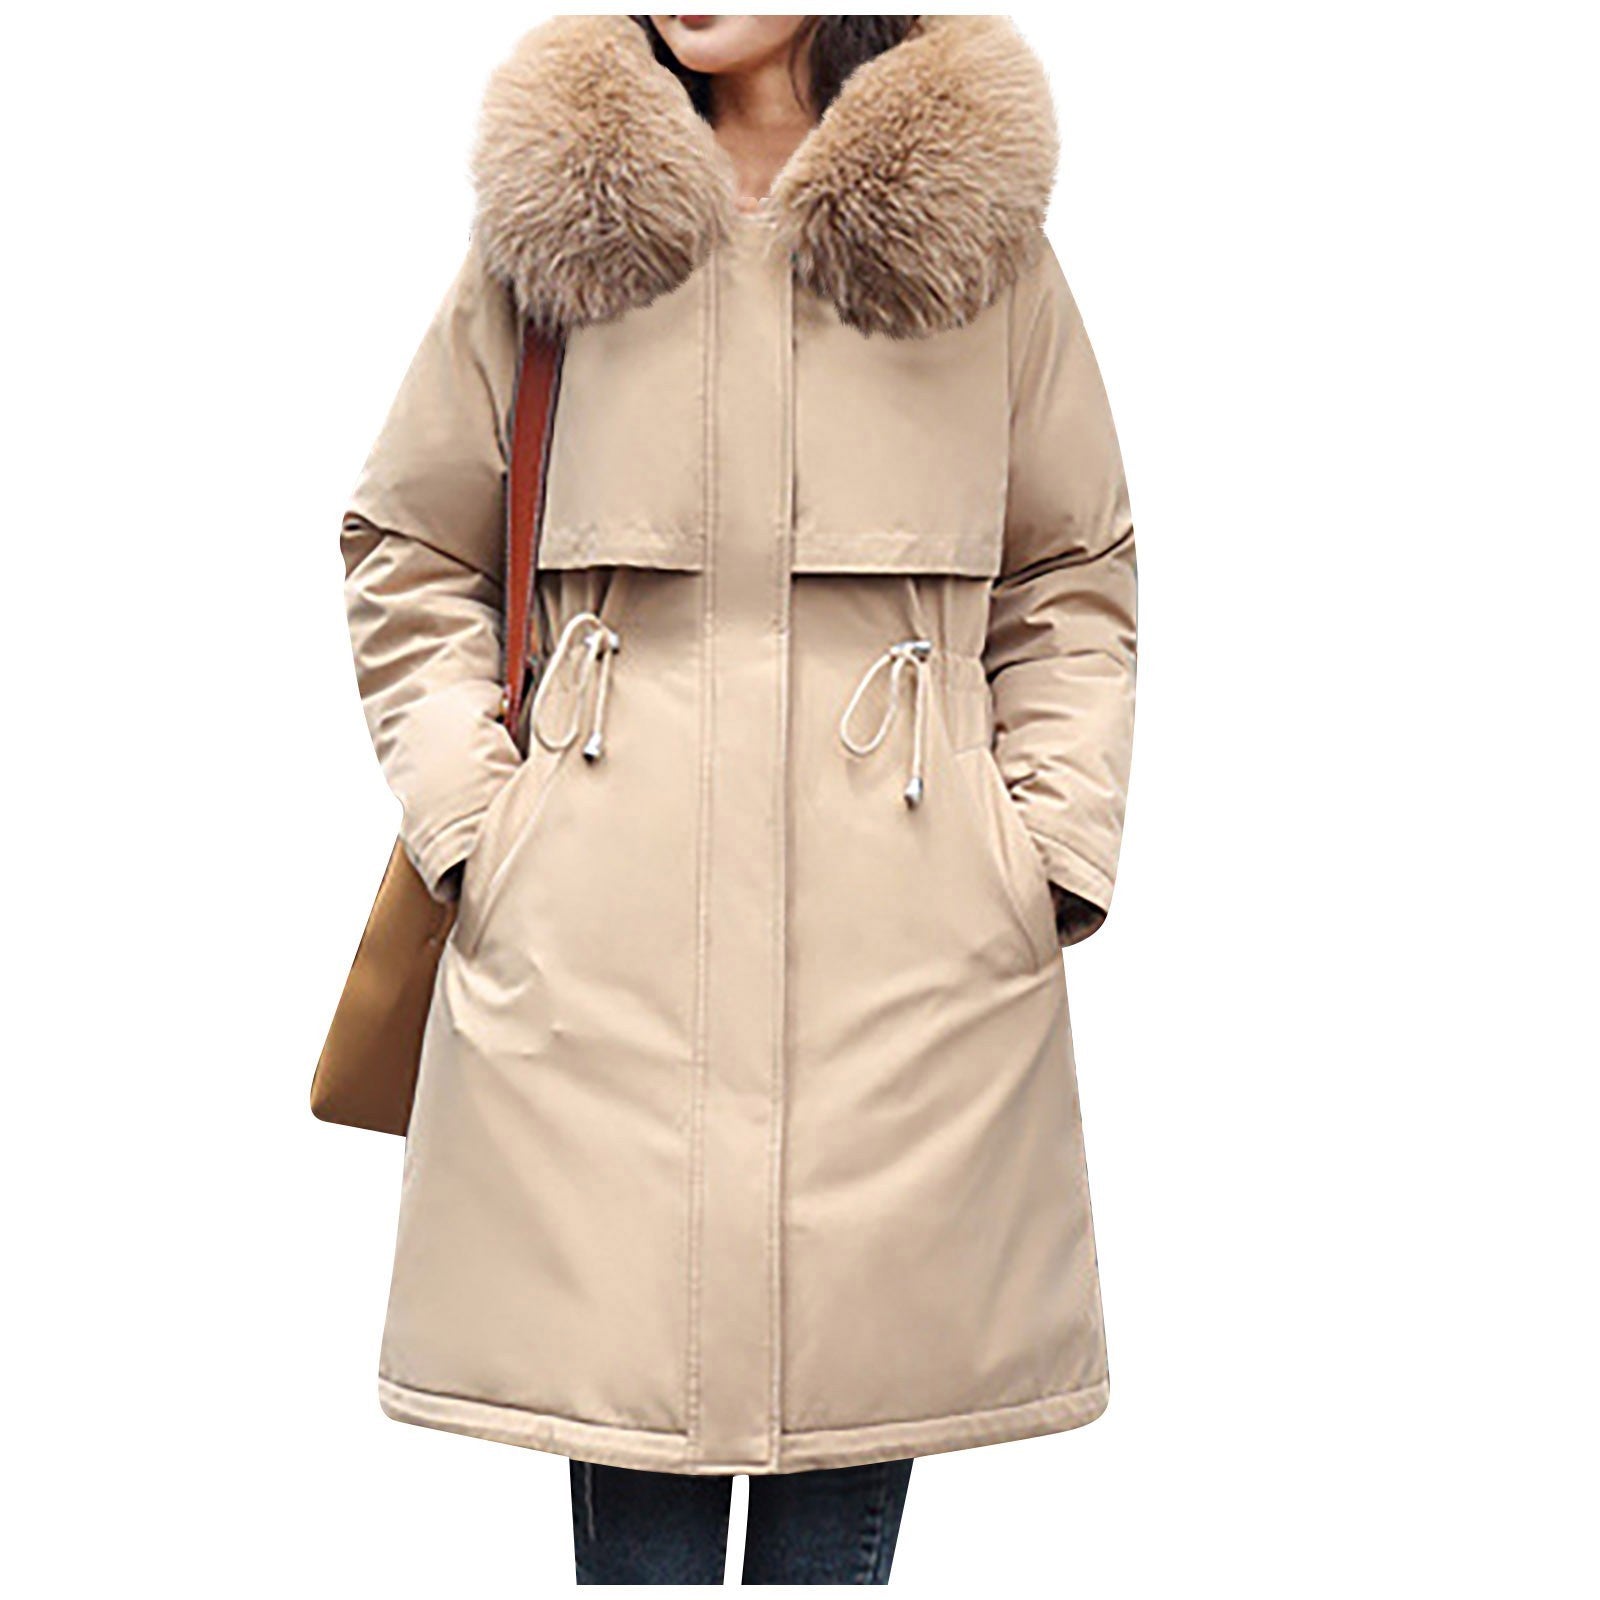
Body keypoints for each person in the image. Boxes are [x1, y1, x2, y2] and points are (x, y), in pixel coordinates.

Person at [339, 13, 1136, 1586]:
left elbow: (1072, 569)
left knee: (847, 1484)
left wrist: (1037, 849)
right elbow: (410, 543)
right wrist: (479, 828)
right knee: (632, 1480)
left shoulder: (979, 247)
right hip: (596, 967)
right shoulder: (559, 233)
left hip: (909, 968)